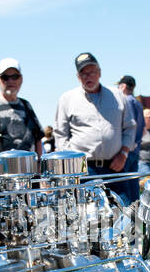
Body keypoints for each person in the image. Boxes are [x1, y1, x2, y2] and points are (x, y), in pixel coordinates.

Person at [53, 52, 135, 198]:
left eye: (91, 71)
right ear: (78, 77)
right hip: (83, 171)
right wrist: (72, 165)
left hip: (115, 168)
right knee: (87, 217)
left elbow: (130, 127)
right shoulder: (67, 99)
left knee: (123, 213)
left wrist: (123, 154)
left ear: (99, 72)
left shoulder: (117, 96)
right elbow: (60, 135)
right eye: (83, 73)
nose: (88, 76)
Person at [115, 75, 145, 201]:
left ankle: (127, 217)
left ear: (124, 86)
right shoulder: (137, 103)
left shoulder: (126, 101)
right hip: (135, 150)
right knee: (133, 187)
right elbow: (142, 128)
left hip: (125, 151)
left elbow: (128, 126)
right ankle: (136, 217)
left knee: (122, 188)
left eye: (119, 85)